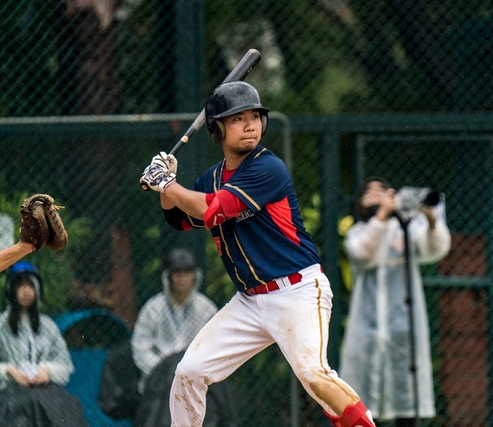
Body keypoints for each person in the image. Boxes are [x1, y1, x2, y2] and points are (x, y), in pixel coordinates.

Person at [139, 81, 377, 427]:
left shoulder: (268, 168)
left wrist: (166, 184)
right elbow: (178, 218)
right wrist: (166, 180)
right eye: (237, 119)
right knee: (189, 371)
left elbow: (214, 212)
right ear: (217, 129)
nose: (250, 124)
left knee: (314, 374)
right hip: (250, 302)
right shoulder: (213, 177)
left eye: (255, 116)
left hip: (297, 291)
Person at [339, 177, 451, 426]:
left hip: (404, 330)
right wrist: (383, 215)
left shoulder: (406, 231)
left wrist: (431, 218)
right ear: (360, 203)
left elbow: (435, 249)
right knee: (365, 403)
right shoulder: (358, 232)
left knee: (407, 400)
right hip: (367, 331)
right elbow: (363, 253)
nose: (378, 196)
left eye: (383, 192)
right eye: (370, 193)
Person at [0, 261, 87, 426]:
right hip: (9, 394)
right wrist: (8, 371)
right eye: (21, 286)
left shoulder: (47, 326)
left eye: (30, 286)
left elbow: (64, 363)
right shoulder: (1, 326)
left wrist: (48, 371)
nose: (26, 291)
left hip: (45, 392)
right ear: (11, 290)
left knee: (65, 408)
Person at [131, 248, 218, 393]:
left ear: (195, 276)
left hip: (196, 381)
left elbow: (215, 346)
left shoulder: (207, 309)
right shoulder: (153, 308)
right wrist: (164, 371)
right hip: (158, 383)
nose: (182, 277)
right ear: (168, 277)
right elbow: (140, 347)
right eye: (177, 273)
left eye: (187, 272)